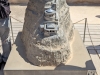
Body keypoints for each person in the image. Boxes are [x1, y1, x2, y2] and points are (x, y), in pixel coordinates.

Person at [0, 0, 11, 69]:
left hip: (3, 14)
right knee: (5, 39)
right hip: (3, 14)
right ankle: (6, 59)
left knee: (5, 39)